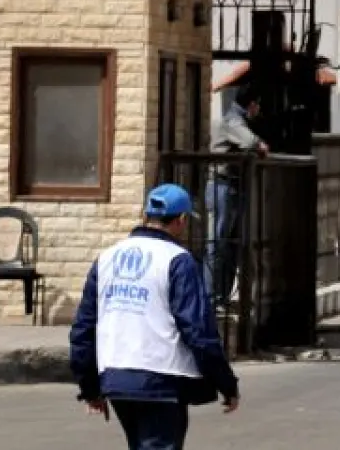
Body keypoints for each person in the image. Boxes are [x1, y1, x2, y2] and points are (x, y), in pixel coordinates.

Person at [69, 184, 242, 450]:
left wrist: (90, 387)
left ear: (145, 215)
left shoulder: (107, 258)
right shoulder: (177, 260)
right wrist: (226, 384)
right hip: (162, 380)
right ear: (182, 220)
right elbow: (198, 331)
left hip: (116, 376)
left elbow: (83, 329)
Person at [205, 81, 266, 308]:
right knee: (216, 243)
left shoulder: (239, 119)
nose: (259, 109)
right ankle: (210, 297)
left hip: (233, 186)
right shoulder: (233, 119)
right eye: (258, 105)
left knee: (231, 244)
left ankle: (221, 296)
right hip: (221, 185)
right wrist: (261, 146)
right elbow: (250, 141)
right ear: (251, 104)